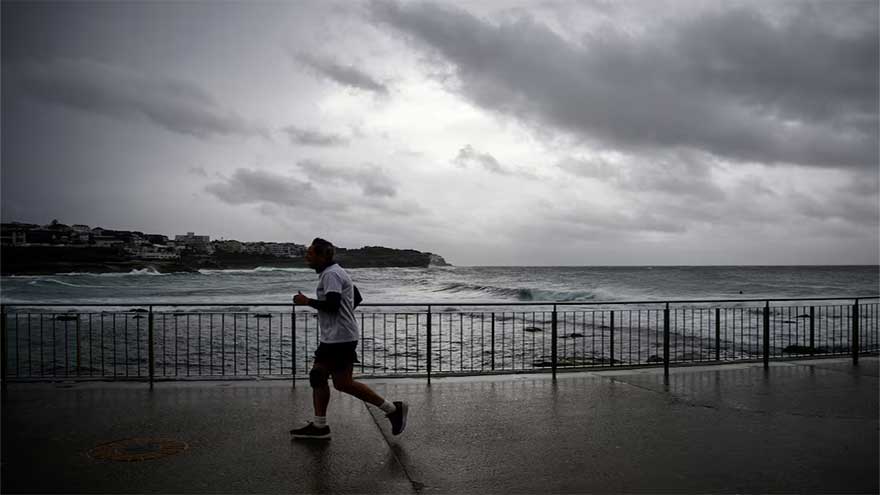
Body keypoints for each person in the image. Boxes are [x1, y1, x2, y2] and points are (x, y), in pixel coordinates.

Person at [290, 238, 408, 439]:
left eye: (310, 254)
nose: (306, 257)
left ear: (322, 256)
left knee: (324, 377)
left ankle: (321, 426)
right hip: (338, 336)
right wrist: (341, 317)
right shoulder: (336, 272)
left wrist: (306, 301)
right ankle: (391, 409)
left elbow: (333, 305)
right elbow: (356, 297)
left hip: (339, 338)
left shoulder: (332, 274)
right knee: (336, 381)